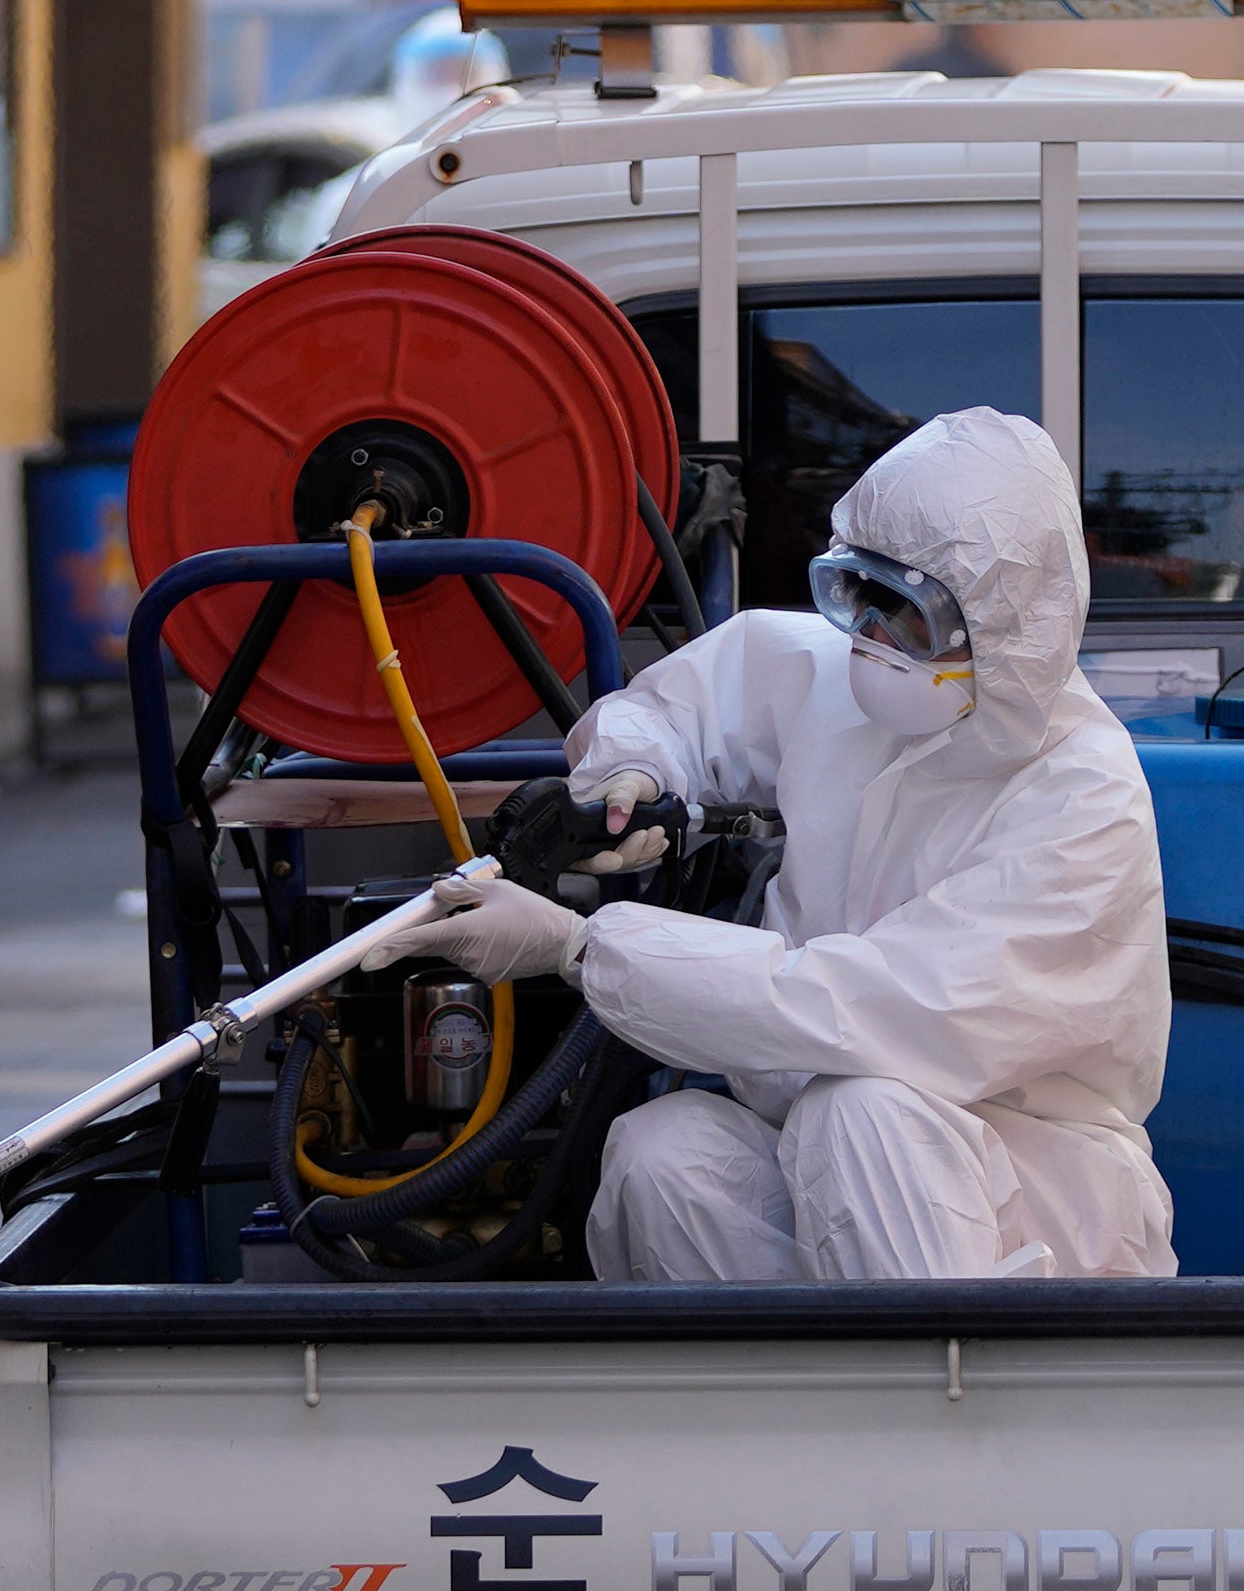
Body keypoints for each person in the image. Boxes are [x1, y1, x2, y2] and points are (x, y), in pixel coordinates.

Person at [414, 404, 1175, 1283]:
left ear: (1000, 627)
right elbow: (690, 703)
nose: (874, 638)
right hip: (826, 1144)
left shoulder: (1083, 794)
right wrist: (631, 778)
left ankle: (955, 1410)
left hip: (1032, 1193)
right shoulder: (855, 681)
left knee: (864, 1112)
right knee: (663, 1155)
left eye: (911, 617)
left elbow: (868, 1011)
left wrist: (584, 949)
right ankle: (772, 1420)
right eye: (862, 594)